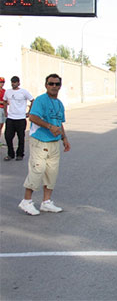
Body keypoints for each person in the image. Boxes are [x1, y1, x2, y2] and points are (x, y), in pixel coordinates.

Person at [18, 74, 70, 216]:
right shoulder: (41, 100)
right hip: (40, 142)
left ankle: (46, 202)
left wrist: (64, 138)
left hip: (53, 143)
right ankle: (26, 201)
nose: (54, 86)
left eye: (57, 84)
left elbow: (60, 123)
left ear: (60, 86)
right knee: (37, 170)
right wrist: (49, 126)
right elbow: (33, 117)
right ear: (46, 85)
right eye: (51, 83)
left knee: (51, 173)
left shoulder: (59, 103)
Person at [3, 76, 34, 161]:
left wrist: (29, 112)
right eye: (12, 82)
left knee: (21, 137)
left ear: (18, 83)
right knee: (8, 136)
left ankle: (20, 154)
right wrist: (5, 112)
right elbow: (5, 101)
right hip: (10, 118)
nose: (13, 83)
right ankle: (10, 154)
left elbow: (32, 100)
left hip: (20, 118)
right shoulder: (8, 92)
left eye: (15, 82)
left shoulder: (24, 92)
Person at [0, 77, 5, 145]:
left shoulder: (4, 91)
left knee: (1, 125)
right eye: (1, 82)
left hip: (4, 109)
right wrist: (3, 102)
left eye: (3, 82)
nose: (2, 83)